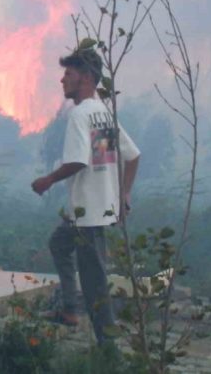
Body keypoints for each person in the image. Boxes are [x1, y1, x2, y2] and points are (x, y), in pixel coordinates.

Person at [31, 47, 140, 345]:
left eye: (68, 74)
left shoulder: (81, 114)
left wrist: (48, 180)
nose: (62, 80)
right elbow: (132, 156)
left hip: (89, 216)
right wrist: (123, 195)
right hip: (94, 208)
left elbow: (79, 161)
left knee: (95, 283)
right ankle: (69, 309)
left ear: (87, 78)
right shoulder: (102, 112)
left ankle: (109, 350)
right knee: (58, 243)